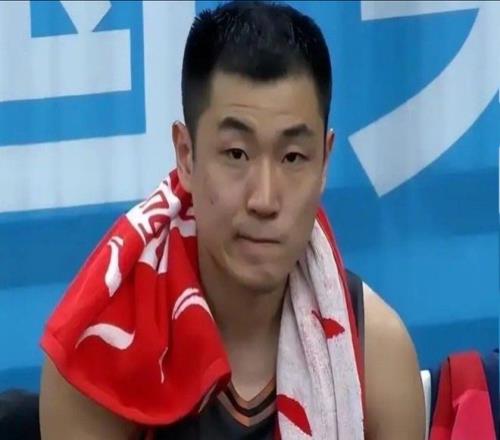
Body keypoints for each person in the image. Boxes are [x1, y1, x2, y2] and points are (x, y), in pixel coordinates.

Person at [39, 2, 425, 439]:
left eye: (293, 157)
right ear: (187, 156)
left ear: (324, 162)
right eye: (236, 154)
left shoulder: (376, 353)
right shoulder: (97, 355)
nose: (264, 199)